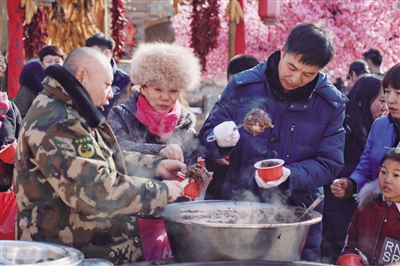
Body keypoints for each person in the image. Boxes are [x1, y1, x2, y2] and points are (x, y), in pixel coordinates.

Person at [14, 47, 186, 265]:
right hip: (68, 251)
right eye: (107, 85)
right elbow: (94, 188)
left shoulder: (72, 110)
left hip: (88, 246)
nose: (112, 93)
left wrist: (154, 165)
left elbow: (101, 158)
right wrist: (160, 192)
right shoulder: (59, 121)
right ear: (81, 76)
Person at [198, 22, 346, 262]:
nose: (296, 78)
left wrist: (289, 174)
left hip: (297, 216)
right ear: (282, 49)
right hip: (239, 209)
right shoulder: (242, 85)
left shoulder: (330, 103)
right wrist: (219, 140)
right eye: (292, 67)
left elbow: (330, 162)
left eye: (308, 74)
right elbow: (205, 139)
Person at [107, 42, 202, 261]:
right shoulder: (121, 115)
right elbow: (115, 152)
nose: (166, 97)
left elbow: (193, 160)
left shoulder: (186, 119)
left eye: (173, 90)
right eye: (158, 89)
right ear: (143, 86)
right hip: (133, 213)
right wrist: (159, 152)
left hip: (175, 214)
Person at [321, 74, 387, 263]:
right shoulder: (342, 129)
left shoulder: (376, 128)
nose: (386, 106)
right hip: (337, 210)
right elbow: (330, 166)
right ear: (361, 102)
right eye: (382, 100)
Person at [331, 63, 400, 203]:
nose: (390, 100)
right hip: (381, 212)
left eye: (398, 93)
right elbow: (366, 168)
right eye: (387, 91)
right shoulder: (380, 125)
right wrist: (350, 184)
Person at [205, 53, 260, 200]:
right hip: (221, 190)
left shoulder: (267, 110)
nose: (236, 92)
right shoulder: (222, 106)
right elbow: (203, 146)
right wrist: (215, 157)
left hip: (257, 193)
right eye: (232, 86)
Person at [337, 148, 400, 266]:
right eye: (383, 172)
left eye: (396, 175)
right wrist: (349, 259)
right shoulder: (366, 207)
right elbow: (350, 245)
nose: (387, 180)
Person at [86, 33, 132, 118]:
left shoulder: (126, 82)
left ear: (107, 53)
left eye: (94, 54)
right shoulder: (85, 77)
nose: (90, 58)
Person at [14, 45, 64, 118]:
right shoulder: (29, 87)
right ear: (41, 63)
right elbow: (18, 115)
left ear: (63, 63)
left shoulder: (69, 86)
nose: (53, 65)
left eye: (57, 61)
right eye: (49, 61)